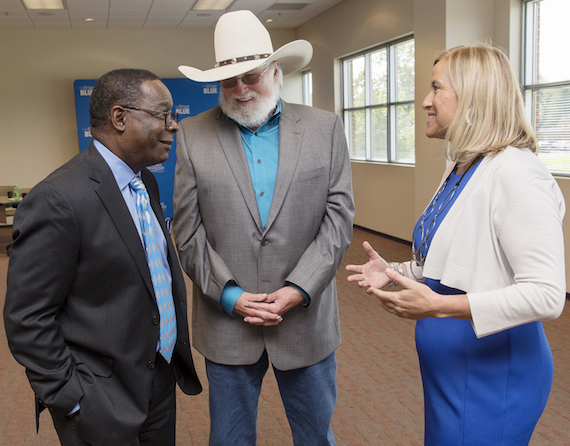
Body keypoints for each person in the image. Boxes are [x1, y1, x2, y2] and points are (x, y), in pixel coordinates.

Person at [346, 44, 566, 446]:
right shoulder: (465, 165)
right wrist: (395, 271)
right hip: (453, 369)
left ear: (474, 98)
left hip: (493, 375)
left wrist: (437, 307)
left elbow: (548, 295)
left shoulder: (518, 174)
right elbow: (458, 259)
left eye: (436, 89)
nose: (426, 102)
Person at [174, 10, 354, 446]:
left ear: (275, 71)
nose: (240, 90)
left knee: (316, 437)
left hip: (307, 322)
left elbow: (338, 218)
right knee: (230, 439)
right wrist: (230, 296)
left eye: (250, 76)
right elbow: (187, 230)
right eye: (229, 82)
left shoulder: (324, 128)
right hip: (228, 323)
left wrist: (300, 288)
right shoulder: (192, 133)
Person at [3, 69, 201, 446]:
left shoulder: (147, 181)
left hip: (157, 379)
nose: (173, 126)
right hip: (98, 397)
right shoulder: (59, 198)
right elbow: (27, 318)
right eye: (163, 114)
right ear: (120, 117)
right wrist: (72, 399)